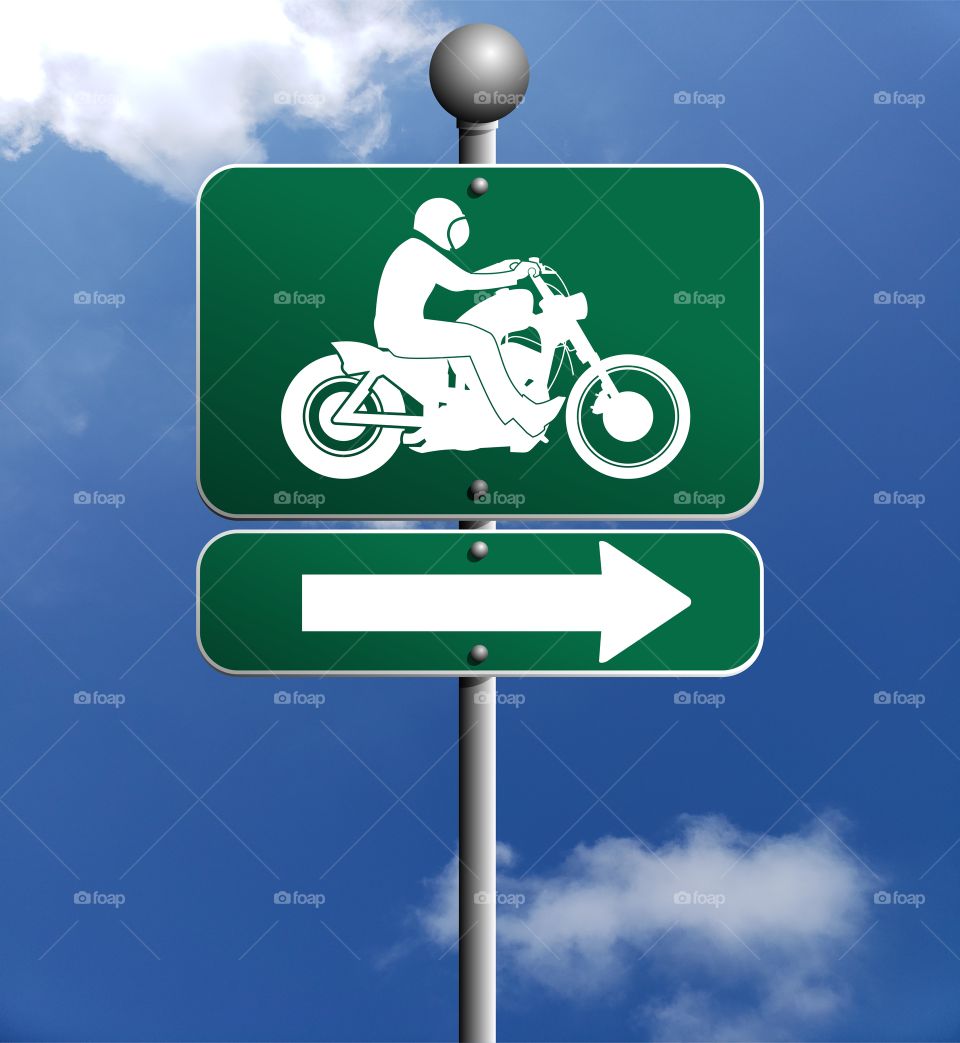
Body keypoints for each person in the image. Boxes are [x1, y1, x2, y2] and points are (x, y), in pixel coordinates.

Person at [374, 197, 563, 437]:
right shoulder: (418, 252)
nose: (460, 231)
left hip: (404, 328)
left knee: (476, 340)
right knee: (481, 341)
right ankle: (523, 416)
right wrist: (513, 276)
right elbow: (462, 283)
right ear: (439, 225)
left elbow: (464, 277)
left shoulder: (417, 248)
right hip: (405, 332)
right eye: (454, 224)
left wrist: (506, 267)